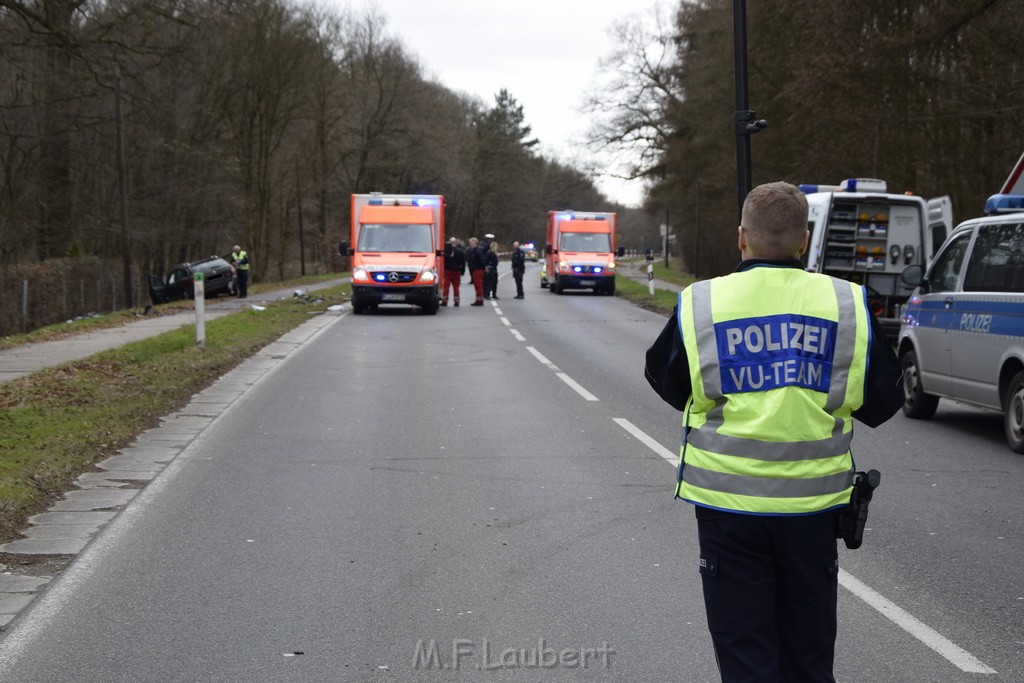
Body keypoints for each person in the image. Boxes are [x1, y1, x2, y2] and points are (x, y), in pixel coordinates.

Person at [644, 181, 903, 683]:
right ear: (803, 241)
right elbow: (885, 400)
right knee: (808, 659)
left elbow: (666, 380)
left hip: (730, 511)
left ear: (741, 237)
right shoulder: (846, 304)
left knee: (746, 657)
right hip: (812, 514)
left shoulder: (703, 302)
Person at [442, 237, 466, 306]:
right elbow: (463, 262)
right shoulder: (460, 251)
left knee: (446, 286)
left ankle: (445, 301)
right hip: (456, 270)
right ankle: (456, 301)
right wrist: (462, 271)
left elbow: (443, 260)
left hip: (448, 270)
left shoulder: (446, 250)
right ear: (455, 242)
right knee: (456, 286)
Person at [466, 237, 486, 306]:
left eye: (473, 243)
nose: (472, 244)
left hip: (478, 269)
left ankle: (480, 300)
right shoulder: (472, 251)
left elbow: (481, 260)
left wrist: (484, 268)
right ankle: (478, 299)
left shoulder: (477, 251)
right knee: (476, 285)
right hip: (474, 269)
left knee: (478, 285)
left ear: (476, 244)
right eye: (471, 243)